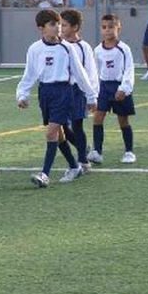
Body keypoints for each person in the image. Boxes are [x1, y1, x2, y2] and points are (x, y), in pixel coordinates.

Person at [16, 9, 97, 187]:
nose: (58, 28)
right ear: (41, 28)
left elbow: (80, 72)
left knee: (52, 131)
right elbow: (29, 74)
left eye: (59, 24)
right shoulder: (35, 49)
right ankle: (74, 166)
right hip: (45, 93)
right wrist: (22, 94)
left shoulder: (67, 48)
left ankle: (45, 174)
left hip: (63, 92)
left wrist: (91, 96)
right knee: (58, 134)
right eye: (53, 24)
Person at [87, 13, 137, 164]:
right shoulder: (97, 50)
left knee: (123, 120)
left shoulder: (124, 49)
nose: (107, 30)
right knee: (98, 117)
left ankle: (129, 152)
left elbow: (129, 70)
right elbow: (94, 71)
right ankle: (97, 151)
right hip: (103, 87)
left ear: (118, 28)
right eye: (104, 27)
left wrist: (124, 88)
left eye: (111, 27)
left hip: (119, 87)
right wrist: (93, 92)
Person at [59, 9, 98, 175]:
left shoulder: (83, 47)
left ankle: (83, 160)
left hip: (78, 90)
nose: (61, 28)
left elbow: (90, 71)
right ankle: (84, 148)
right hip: (62, 90)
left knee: (77, 124)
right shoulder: (58, 45)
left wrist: (92, 95)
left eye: (64, 25)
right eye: (60, 24)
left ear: (75, 27)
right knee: (62, 127)